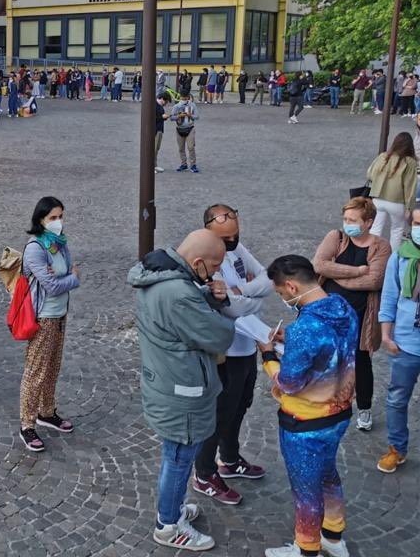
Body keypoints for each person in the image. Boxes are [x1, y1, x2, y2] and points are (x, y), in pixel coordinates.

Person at [129, 229, 235, 552]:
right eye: (214, 268)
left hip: (166, 381)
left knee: (174, 455)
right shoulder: (178, 293)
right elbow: (220, 336)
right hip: (181, 390)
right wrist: (219, 303)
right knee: (178, 459)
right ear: (198, 262)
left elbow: (179, 322)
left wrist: (207, 295)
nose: (215, 274)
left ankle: (172, 509)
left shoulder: (160, 275)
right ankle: (167, 525)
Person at [259, 256, 357, 557]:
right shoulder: (344, 308)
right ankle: (333, 535)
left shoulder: (305, 327)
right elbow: (329, 346)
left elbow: (289, 383)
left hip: (306, 421)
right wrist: (289, 338)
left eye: (281, 293)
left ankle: (306, 549)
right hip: (339, 413)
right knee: (328, 475)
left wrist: (268, 357)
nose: (283, 298)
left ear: (291, 286)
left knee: (306, 488)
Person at [192, 205, 273, 506]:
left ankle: (229, 457)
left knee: (241, 406)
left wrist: (242, 289)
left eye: (236, 233)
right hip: (226, 351)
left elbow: (268, 279)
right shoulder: (209, 261)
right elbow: (230, 309)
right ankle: (204, 472)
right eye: (226, 237)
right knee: (219, 413)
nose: (233, 240)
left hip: (247, 347)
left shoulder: (238, 250)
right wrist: (246, 297)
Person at [313, 196, 391, 432]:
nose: (347, 223)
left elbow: (375, 280)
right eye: (345, 218)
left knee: (360, 363)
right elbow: (319, 265)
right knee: (324, 357)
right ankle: (322, 403)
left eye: (353, 219)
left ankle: (364, 409)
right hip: (328, 313)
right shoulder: (336, 237)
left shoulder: (381, 246)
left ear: (368, 222)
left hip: (360, 317)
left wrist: (338, 275)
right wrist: (355, 271)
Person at [17, 197, 81, 453]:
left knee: (53, 365)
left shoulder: (59, 243)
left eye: (60, 216)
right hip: (43, 316)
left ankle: (46, 411)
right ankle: (27, 424)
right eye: (53, 218)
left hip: (59, 314)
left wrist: (65, 276)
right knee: (36, 370)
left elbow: (64, 271)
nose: (58, 222)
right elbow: (54, 284)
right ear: (40, 219)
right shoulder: (35, 248)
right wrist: (73, 279)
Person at [377, 206, 420, 473]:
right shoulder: (400, 257)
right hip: (406, 343)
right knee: (396, 399)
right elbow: (389, 297)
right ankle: (397, 448)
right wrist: (385, 335)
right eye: (417, 222)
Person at [365, 132, 416, 251]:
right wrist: (409, 207)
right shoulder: (410, 162)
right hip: (397, 201)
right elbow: (410, 186)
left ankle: (371, 252)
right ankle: (392, 257)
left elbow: (369, 174)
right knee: (397, 230)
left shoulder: (383, 156)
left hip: (378, 197)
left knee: (376, 228)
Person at [171, 91, 200, 173]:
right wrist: (179, 116)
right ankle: (183, 164)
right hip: (179, 128)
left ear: (188, 97)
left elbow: (197, 116)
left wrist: (190, 115)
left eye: (185, 98)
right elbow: (172, 118)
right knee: (181, 148)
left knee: (191, 147)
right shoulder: (176, 106)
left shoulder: (192, 105)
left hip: (190, 128)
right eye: (182, 98)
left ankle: (193, 165)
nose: (183, 99)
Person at [153, 93, 171, 174]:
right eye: (166, 101)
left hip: (159, 129)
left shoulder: (160, 106)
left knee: (156, 149)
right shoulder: (155, 105)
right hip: (155, 130)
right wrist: (162, 117)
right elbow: (152, 118)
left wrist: (164, 117)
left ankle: (155, 165)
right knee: (153, 149)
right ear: (163, 99)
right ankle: (151, 167)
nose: (166, 103)